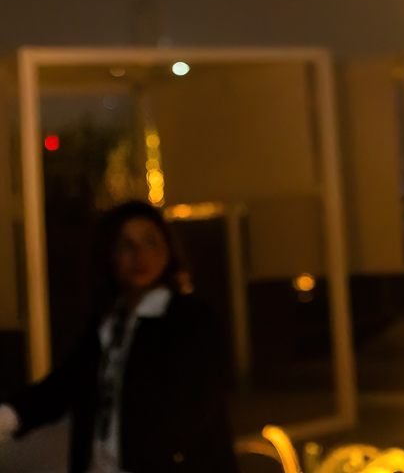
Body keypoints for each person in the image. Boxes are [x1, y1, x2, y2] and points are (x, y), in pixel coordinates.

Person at [0, 200, 238, 473]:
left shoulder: (190, 319)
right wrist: (8, 416)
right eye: (127, 245)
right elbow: (63, 386)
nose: (140, 256)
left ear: (168, 249)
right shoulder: (108, 321)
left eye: (150, 242)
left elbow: (198, 404)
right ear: (110, 254)